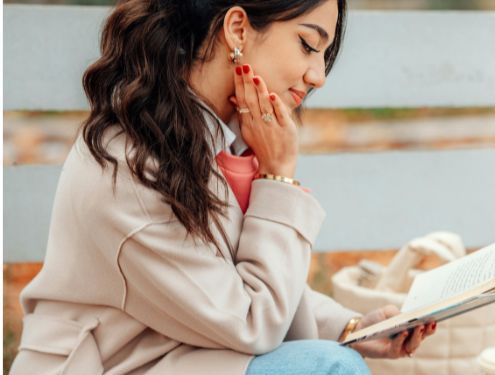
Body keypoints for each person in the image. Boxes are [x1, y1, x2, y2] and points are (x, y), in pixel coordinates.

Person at [10, 1, 436, 374]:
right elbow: (251, 321)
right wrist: (278, 177)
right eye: (308, 45)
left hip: (184, 355)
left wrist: (352, 328)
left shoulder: (208, 137)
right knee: (330, 369)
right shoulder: (130, 167)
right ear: (237, 28)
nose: (318, 75)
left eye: (325, 55)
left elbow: (229, 284)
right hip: (111, 366)